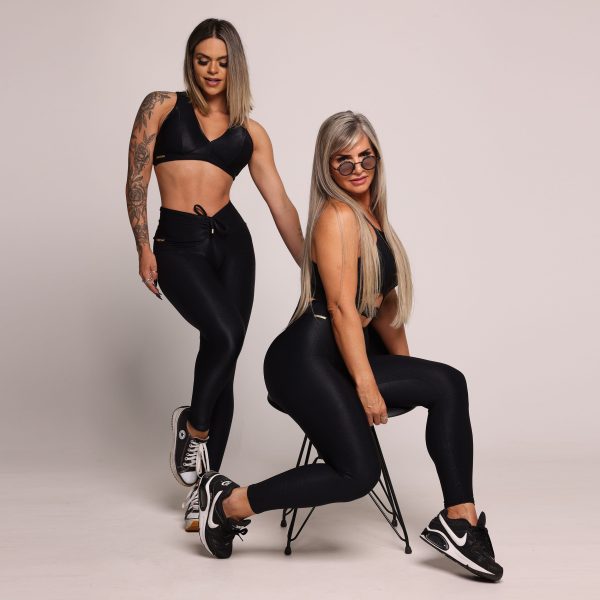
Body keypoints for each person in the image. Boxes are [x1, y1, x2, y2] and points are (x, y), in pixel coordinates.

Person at [195, 111, 503, 582]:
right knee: (358, 474)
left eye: (366, 158)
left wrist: (408, 373)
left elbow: (385, 305)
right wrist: (367, 385)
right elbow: (341, 308)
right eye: (344, 161)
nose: (358, 169)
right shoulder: (337, 217)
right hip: (304, 360)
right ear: (328, 167)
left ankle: (460, 519)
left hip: (341, 355)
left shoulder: (373, 217)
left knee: (446, 384)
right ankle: (229, 503)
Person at [125, 18, 303, 531]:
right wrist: (143, 246)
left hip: (232, 246)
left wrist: (310, 270)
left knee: (224, 357)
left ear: (235, 66)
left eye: (222, 62)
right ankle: (194, 428)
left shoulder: (250, 132)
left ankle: (206, 496)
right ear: (191, 61)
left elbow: (281, 205)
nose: (212, 70)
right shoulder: (162, 106)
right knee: (223, 335)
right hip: (177, 246)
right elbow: (136, 178)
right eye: (203, 60)